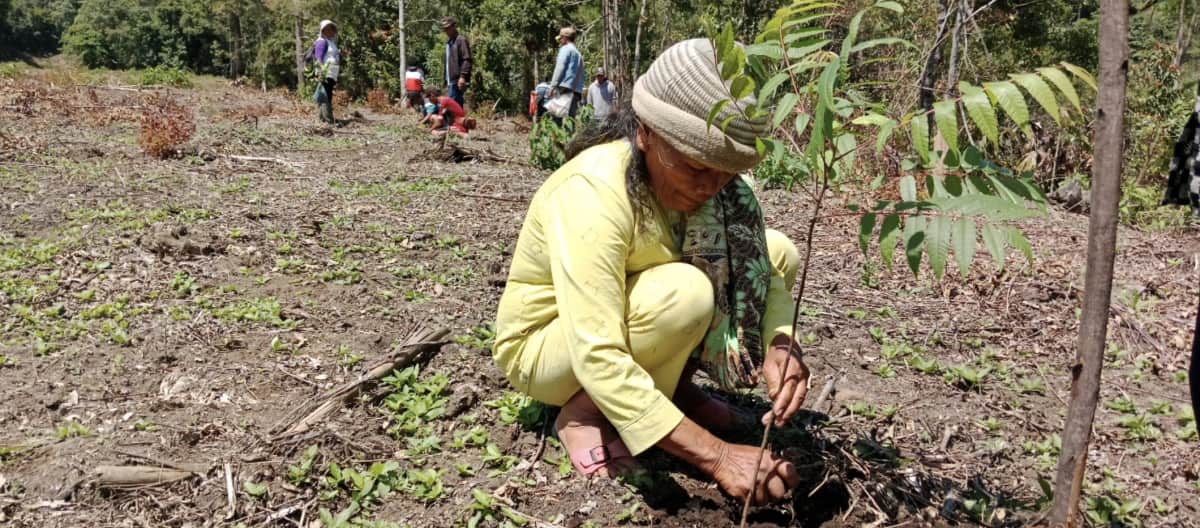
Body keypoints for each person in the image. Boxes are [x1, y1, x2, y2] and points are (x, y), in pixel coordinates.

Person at [492, 38, 809, 506]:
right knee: (686, 294)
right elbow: (596, 353)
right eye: (695, 168)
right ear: (645, 133)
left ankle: (673, 390)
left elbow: (769, 272)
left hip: (627, 320)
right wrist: (720, 458)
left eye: (724, 173)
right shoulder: (593, 193)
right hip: (549, 347)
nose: (711, 187)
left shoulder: (721, 190)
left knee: (775, 252)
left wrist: (782, 343)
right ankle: (583, 415)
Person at [548, 27, 585, 119]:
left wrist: (552, 87)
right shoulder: (578, 54)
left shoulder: (565, 49)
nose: (560, 41)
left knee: (557, 118)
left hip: (564, 89)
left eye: (561, 38)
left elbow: (560, 68)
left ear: (565, 38)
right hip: (576, 91)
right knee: (570, 120)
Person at [313, 20, 345, 125]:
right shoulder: (321, 41)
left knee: (327, 96)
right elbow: (318, 58)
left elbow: (333, 56)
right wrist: (322, 71)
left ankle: (323, 120)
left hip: (332, 74)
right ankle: (328, 121)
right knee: (325, 96)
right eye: (327, 29)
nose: (330, 31)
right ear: (323, 30)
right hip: (325, 73)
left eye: (331, 28)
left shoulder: (331, 42)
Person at [441, 17, 473, 108]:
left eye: (448, 28)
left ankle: (459, 122)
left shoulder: (460, 40)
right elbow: (448, 63)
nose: (446, 31)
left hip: (457, 80)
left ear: (454, 26)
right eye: (445, 29)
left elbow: (467, 59)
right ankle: (459, 122)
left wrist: (463, 77)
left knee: (453, 106)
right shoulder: (449, 42)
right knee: (455, 106)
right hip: (450, 80)